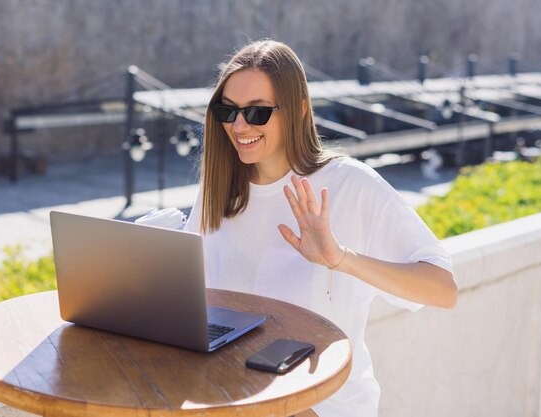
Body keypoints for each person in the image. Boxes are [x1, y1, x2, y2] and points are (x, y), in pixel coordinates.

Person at [185, 39, 457, 417]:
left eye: (257, 113)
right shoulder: (218, 191)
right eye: (226, 111)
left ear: (297, 110)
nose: (239, 125)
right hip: (232, 396)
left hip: (321, 407)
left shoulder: (348, 184)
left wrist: (340, 259)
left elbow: (442, 289)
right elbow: (186, 303)